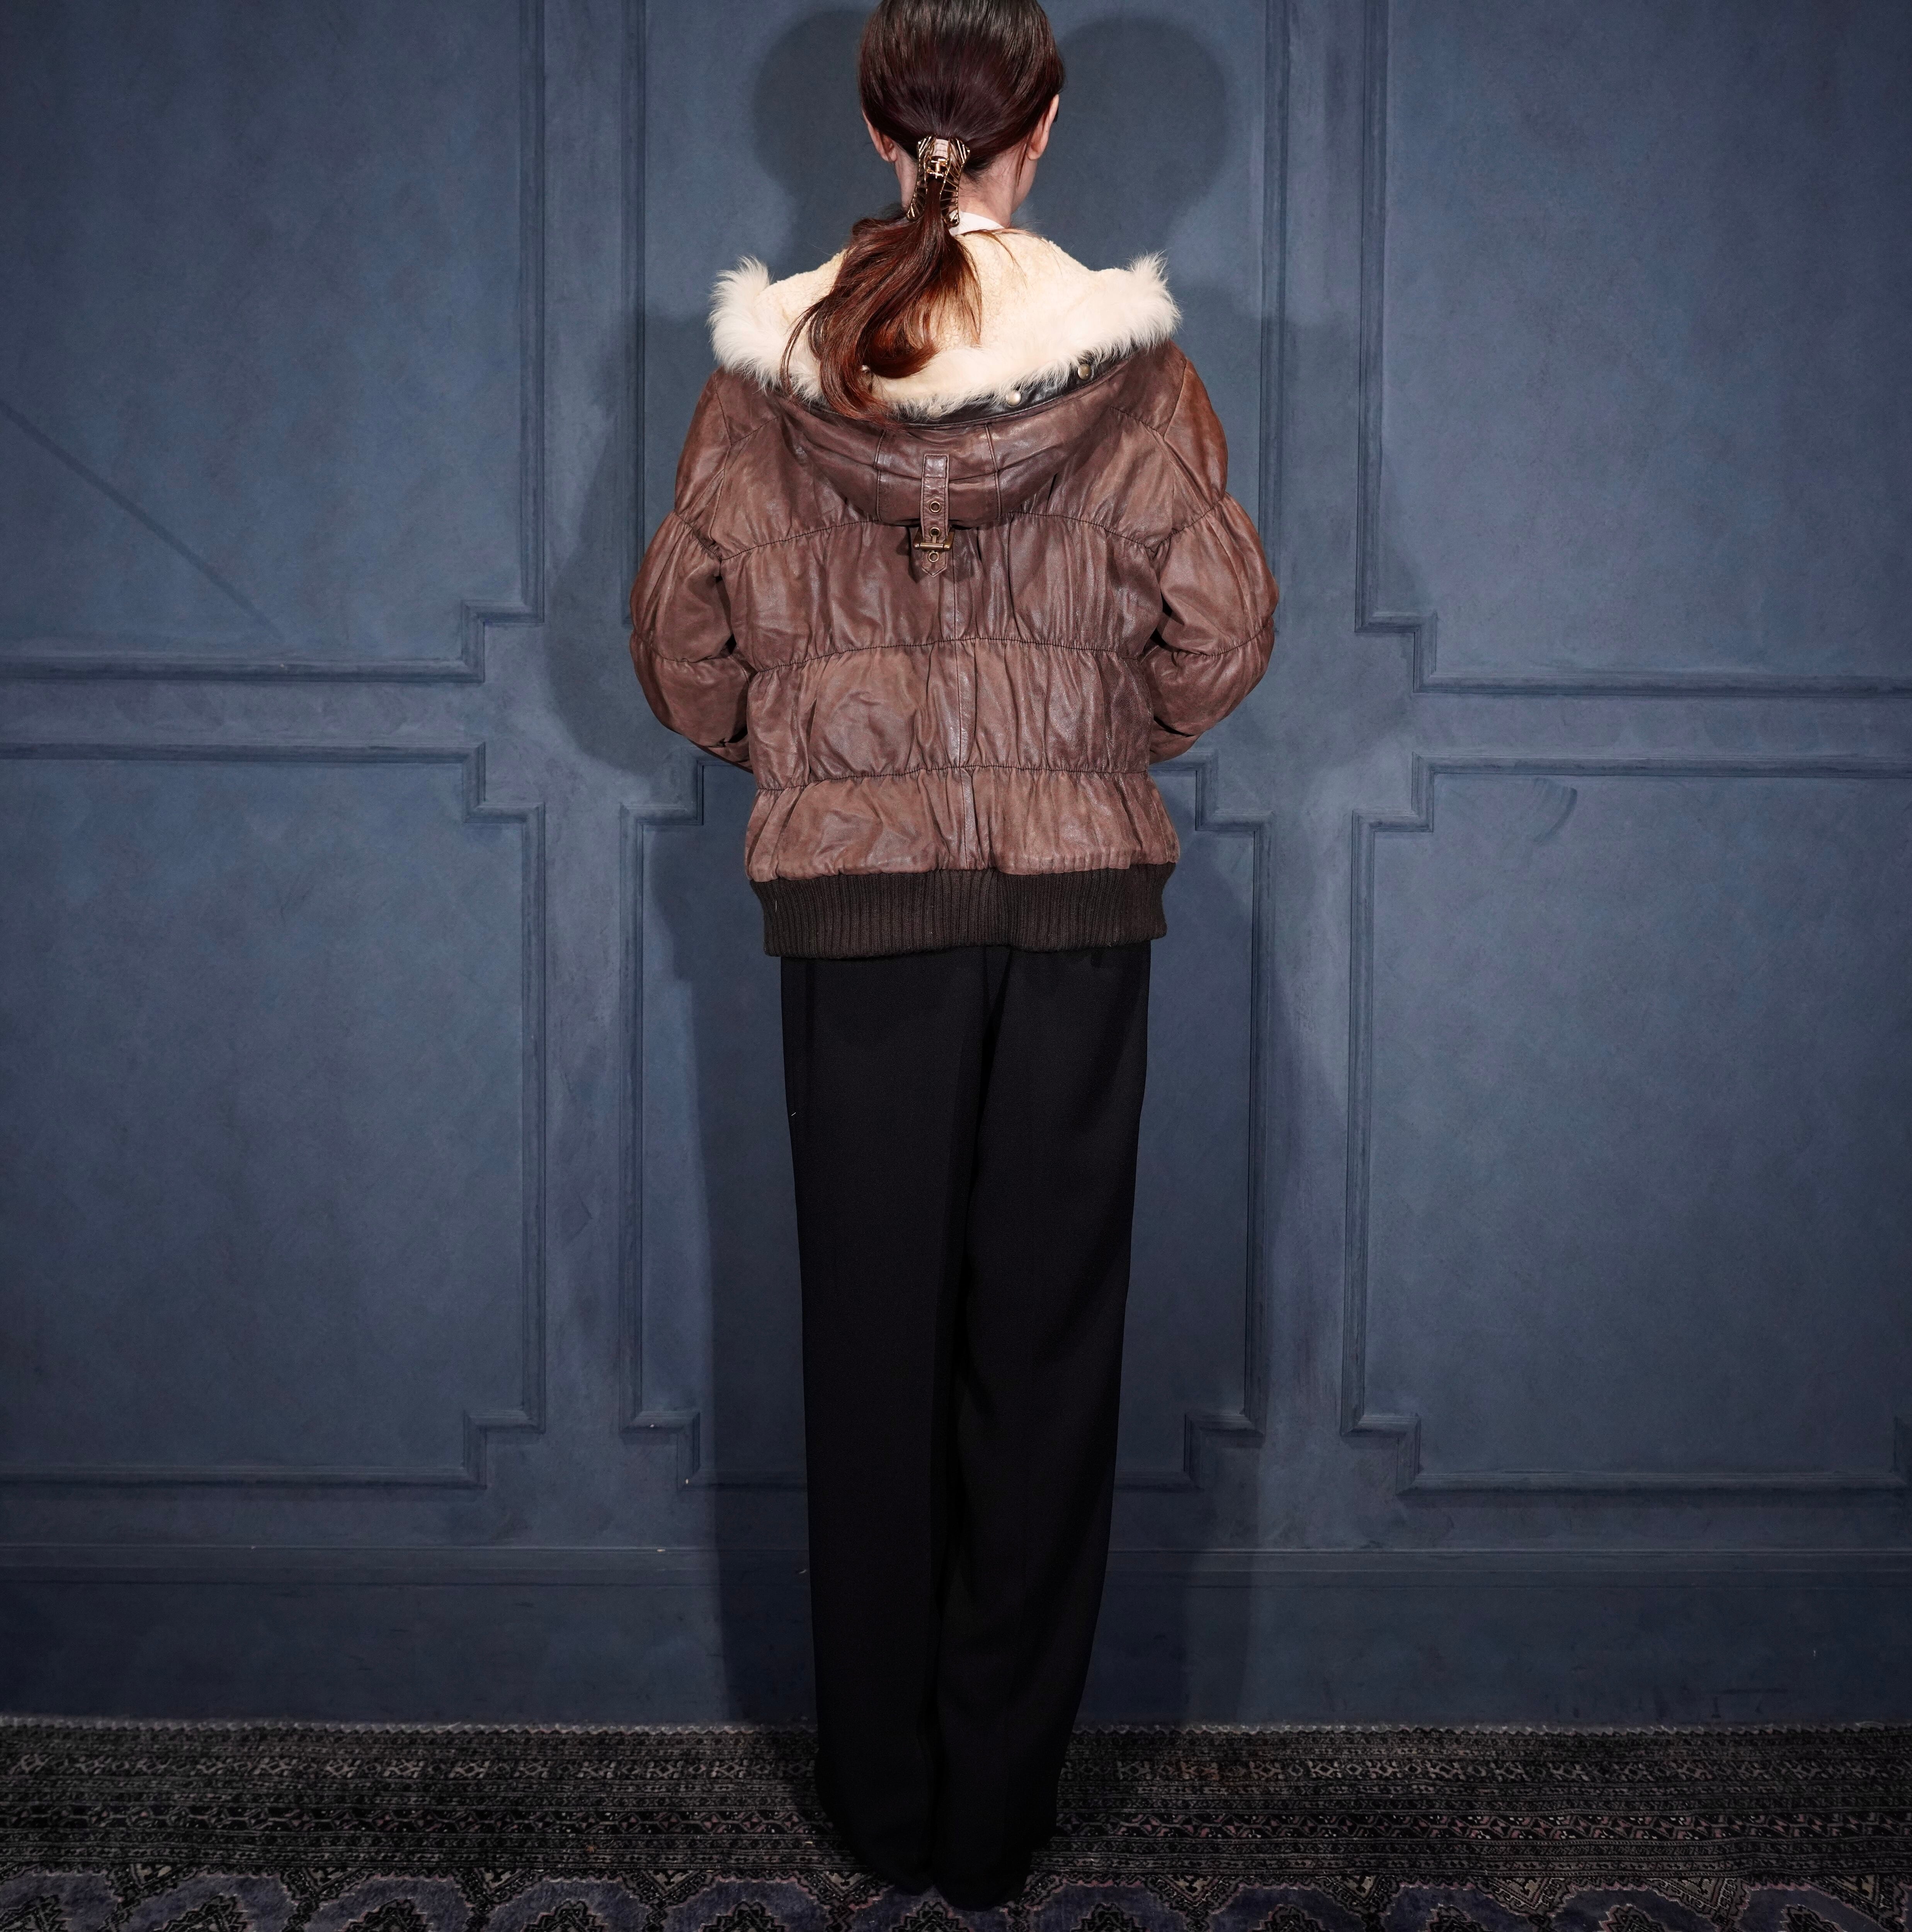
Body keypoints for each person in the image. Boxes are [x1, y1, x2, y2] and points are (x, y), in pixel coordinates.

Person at [628, 0, 1277, 1908]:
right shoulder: (1137, 377)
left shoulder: (762, 381)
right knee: (1042, 1360)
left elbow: (680, 656)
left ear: (869, 127)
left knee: (870, 1346)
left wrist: (825, 765)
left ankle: (882, 1809)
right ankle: (996, 1818)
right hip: (1075, 910)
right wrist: (1079, 751)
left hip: (853, 916)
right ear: (1040, 128)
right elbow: (1223, 637)